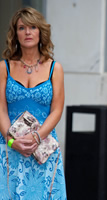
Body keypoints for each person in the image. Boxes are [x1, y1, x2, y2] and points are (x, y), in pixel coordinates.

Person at [0, 7, 67, 199]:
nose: (27, 32)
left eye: (32, 27)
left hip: (44, 150)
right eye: (22, 28)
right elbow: (1, 109)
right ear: (15, 34)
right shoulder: (4, 67)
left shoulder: (55, 68)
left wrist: (37, 137)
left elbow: (57, 109)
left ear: (41, 32)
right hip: (8, 148)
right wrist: (12, 141)